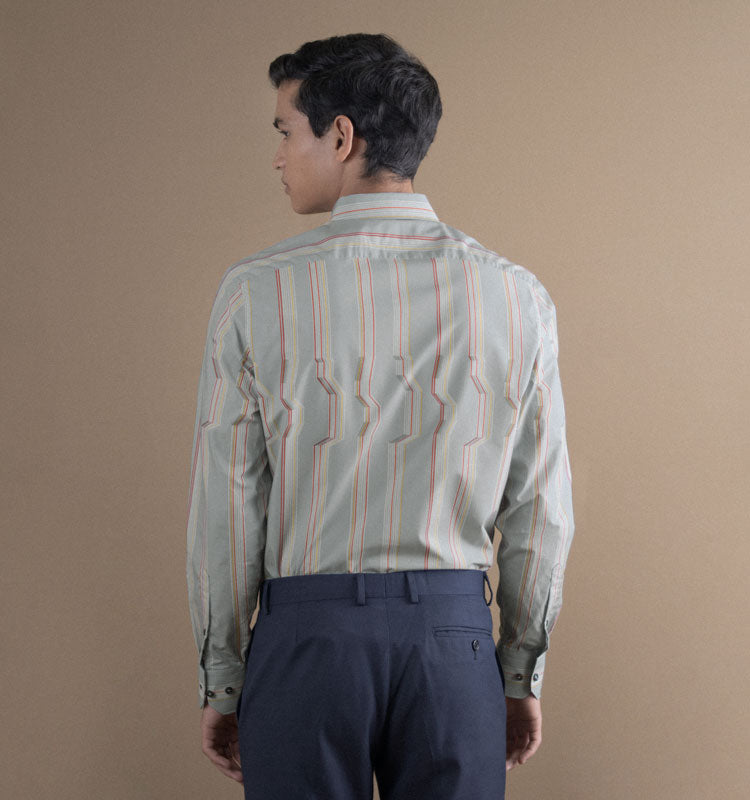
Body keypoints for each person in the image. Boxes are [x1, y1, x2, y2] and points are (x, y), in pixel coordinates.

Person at [186, 32, 574, 800]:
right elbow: (542, 508)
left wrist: (224, 678)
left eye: (286, 132)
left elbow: (226, 506)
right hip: (454, 641)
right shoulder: (516, 295)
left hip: (307, 640)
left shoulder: (257, 292)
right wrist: (519, 669)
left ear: (341, 136)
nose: (277, 157)